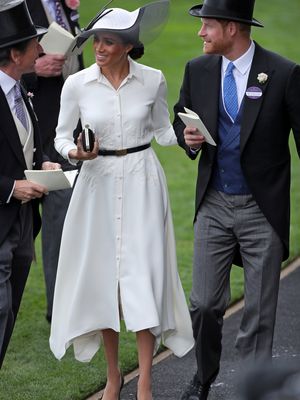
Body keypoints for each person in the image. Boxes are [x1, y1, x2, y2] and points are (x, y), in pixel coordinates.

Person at [49, 1, 194, 400]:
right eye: (97, 40)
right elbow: (61, 138)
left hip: (143, 183)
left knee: (143, 276)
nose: (99, 48)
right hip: (95, 185)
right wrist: (75, 153)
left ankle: (145, 381)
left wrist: (187, 137)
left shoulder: (153, 80)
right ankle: (114, 376)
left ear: (128, 47)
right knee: (104, 282)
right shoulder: (76, 84)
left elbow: (163, 131)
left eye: (109, 42)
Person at [173, 0, 300, 399]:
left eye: (207, 26)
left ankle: (252, 390)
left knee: (259, 314)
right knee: (204, 304)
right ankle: (204, 374)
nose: (200, 34)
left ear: (232, 29)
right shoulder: (198, 69)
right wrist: (187, 138)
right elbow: (182, 116)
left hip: (262, 209)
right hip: (213, 203)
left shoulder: (283, 73)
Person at [0, 0, 60, 368]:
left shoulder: (21, 89)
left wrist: (41, 164)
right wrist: (10, 187)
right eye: (34, 44)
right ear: (13, 53)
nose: (40, 50)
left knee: (7, 318)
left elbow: (24, 144)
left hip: (23, 227)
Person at [23, 0, 84, 324]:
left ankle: (61, 308)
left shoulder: (65, 6)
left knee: (66, 222)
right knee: (16, 231)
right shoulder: (15, 6)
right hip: (23, 136)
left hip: (66, 136)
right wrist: (35, 70)